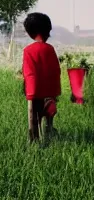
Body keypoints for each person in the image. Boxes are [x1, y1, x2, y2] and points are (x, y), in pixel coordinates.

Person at [22, 12, 61, 142]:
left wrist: (28, 90)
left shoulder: (28, 50)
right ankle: (49, 134)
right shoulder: (50, 49)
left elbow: (29, 73)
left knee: (34, 118)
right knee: (48, 116)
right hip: (50, 91)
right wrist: (55, 91)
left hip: (34, 92)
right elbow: (56, 70)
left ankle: (34, 140)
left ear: (30, 31)